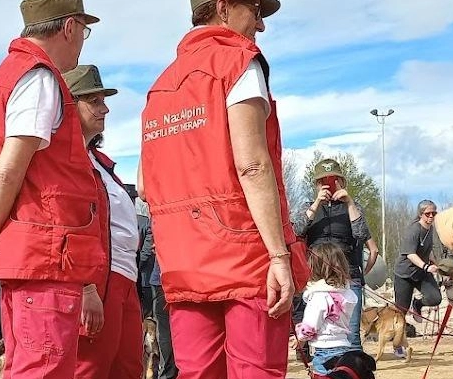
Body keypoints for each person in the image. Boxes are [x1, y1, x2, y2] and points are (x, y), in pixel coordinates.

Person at [138, 1, 308, 378]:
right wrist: (279, 257)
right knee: (255, 370)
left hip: (182, 259)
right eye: (256, 10)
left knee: (197, 372)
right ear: (223, 7)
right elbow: (253, 165)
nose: (260, 25)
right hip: (242, 253)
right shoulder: (237, 62)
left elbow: (146, 186)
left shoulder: (160, 86)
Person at [0, 1, 107, 378]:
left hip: (28, 254)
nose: (81, 43)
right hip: (47, 253)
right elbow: (9, 166)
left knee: (26, 366)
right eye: (83, 33)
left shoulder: (4, 78)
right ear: (70, 28)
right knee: (46, 368)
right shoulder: (39, 77)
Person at [63, 64, 144, 379]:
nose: (105, 108)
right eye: (94, 101)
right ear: (70, 105)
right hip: (98, 278)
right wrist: (85, 287)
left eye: (102, 100)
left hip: (124, 276)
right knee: (91, 368)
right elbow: (70, 222)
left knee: (128, 368)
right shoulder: (67, 161)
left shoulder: (99, 162)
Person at [292, 158, 377, 353]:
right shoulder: (308, 206)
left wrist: (349, 202)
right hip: (316, 276)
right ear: (316, 184)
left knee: (352, 334)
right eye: (322, 181)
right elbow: (297, 231)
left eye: (333, 180)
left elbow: (362, 234)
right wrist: (316, 204)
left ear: (342, 181)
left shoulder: (354, 207)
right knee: (317, 329)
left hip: (348, 275)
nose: (328, 185)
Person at [294, 243, 357, 379]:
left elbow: (311, 324)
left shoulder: (319, 296)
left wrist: (300, 338)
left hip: (324, 352)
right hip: (343, 347)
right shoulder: (347, 293)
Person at [393, 200, 442, 357]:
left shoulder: (431, 229)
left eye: (434, 213)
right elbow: (410, 254)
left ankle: (418, 303)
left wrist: (436, 262)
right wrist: (426, 267)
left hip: (421, 272)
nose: (431, 216)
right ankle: (397, 345)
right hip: (405, 274)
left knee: (435, 298)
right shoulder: (413, 230)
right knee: (401, 312)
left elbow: (427, 251)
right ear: (421, 214)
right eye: (428, 214)